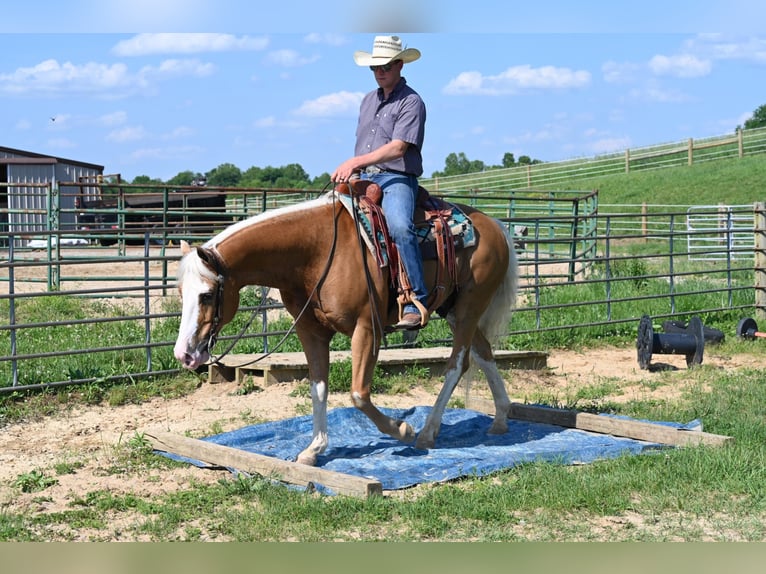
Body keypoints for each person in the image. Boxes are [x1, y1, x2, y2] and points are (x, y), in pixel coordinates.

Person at [332, 35, 428, 330]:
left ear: (399, 64)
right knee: (331, 222)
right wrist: (356, 172)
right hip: (364, 176)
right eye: (375, 67)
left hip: (396, 176)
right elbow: (363, 143)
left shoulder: (411, 101)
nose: (379, 71)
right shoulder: (367, 101)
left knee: (399, 226)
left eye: (385, 66)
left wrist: (355, 163)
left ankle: (416, 299)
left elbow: (399, 148)